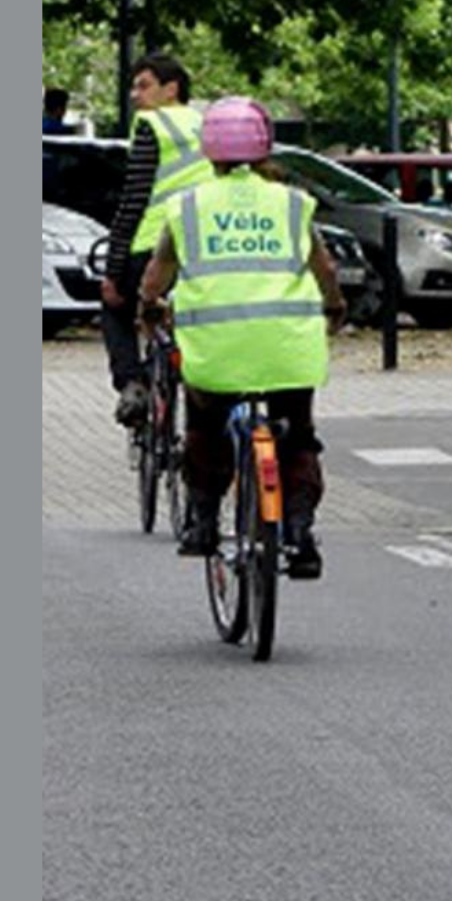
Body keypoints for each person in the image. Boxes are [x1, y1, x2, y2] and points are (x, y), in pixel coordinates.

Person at [139, 98, 345, 579]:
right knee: (298, 435)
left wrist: (148, 309)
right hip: (288, 349)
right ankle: (299, 531)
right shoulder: (292, 203)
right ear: (264, 147)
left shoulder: (187, 206)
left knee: (205, 426)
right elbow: (325, 269)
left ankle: (203, 523)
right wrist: (334, 307)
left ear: (210, 151)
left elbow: (158, 273)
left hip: (216, 350)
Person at [104, 54, 214, 426]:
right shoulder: (209, 124)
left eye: (144, 85)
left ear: (172, 89)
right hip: (202, 249)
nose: (135, 95)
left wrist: (113, 269)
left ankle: (132, 383)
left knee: (115, 308)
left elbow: (134, 198)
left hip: (152, 245)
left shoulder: (151, 124)